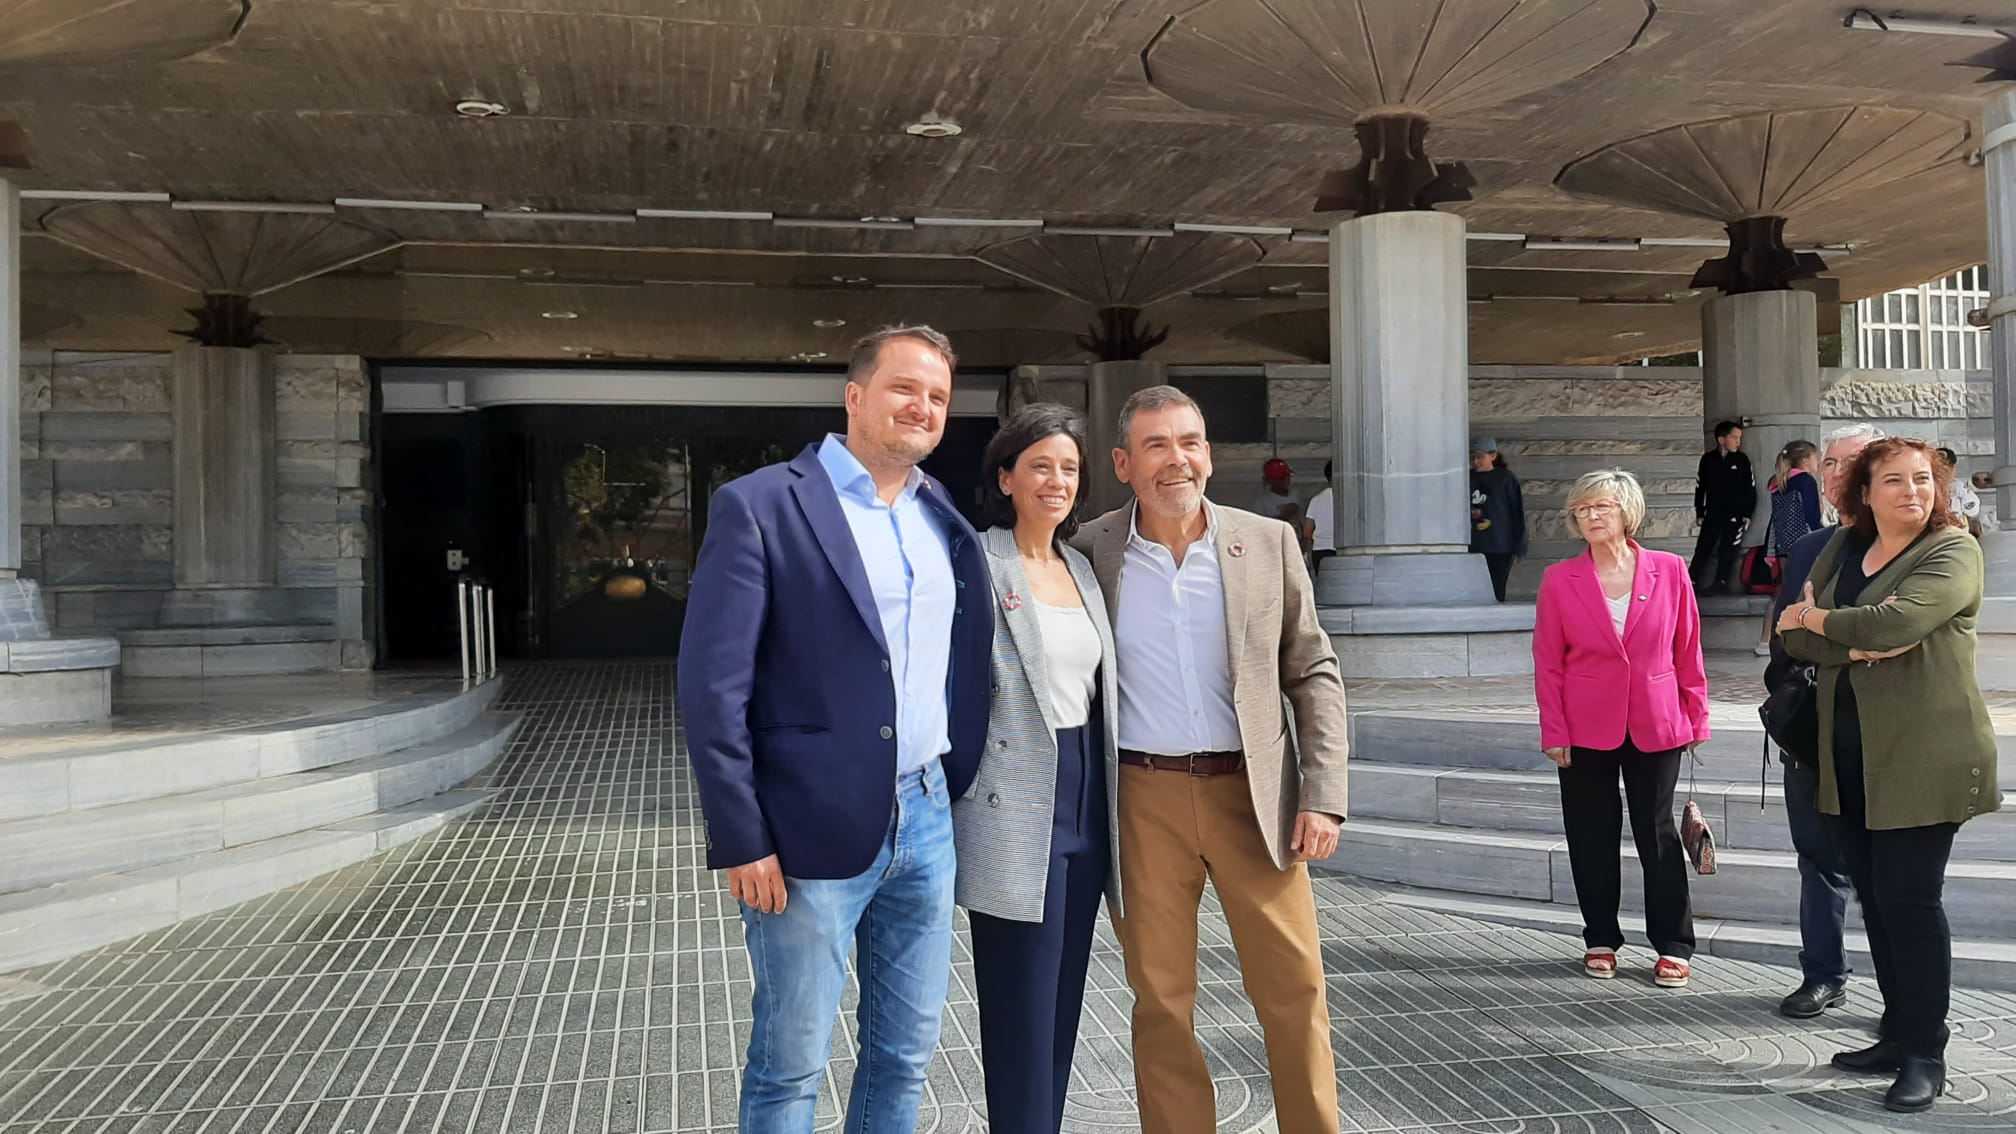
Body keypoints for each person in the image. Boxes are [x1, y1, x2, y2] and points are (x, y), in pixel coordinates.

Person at [677, 325, 994, 1134]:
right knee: (790, 1065)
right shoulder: (760, 505)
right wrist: (741, 834)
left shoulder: (938, 511)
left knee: (906, 1052)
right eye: (904, 388)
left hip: (926, 820)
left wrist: (951, 775)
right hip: (806, 830)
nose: (923, 407)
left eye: (938, 397)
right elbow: (713, 688)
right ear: (855, 396)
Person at [1071, 385, 1349, 1134]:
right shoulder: (1089, 551)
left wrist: (1322, 793)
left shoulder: (1267, 542)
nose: (1177, 460)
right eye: (1157, 446)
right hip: (1141, 799)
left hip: (1254, 797)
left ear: (1209, 454)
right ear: (1124, 463)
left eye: (1189, 442)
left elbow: (1312, 670)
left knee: (1294, 989)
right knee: (1162, 1001)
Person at [1777, 437, 1999, 1114]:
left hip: (1924, 758)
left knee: (1910, 902)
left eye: (1924, 480)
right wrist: (1847, 633)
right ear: (1863, 493)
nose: (1914, 492)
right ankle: (1897, 1032)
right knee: (1874, 898)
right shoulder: (1844, 548)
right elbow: (1793, 638)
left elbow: (1889, 624)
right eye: (1895, 481)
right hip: (1845, 755)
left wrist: (1823, 620)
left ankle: (1926, 1052)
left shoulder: (1952, 550)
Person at [952, 404, 1120, 1134]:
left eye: (1069, 468)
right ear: (1006, 477)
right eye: (1040, 466)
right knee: (1020, 1006)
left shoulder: (1080, 565)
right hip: (1013, 801)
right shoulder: (977, 559)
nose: (1056, 481)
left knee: (1062, 1001)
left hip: (1087, 800)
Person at [1533, 468, 1709, 988]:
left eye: (1600, 507)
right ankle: (1601, 938)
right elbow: (1548, 660)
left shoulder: (1669, 569)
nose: (1589, 516)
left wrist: (1696, 715)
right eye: (1582, 509)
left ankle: (1673, 944)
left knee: (1656, 834)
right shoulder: (1559, 579)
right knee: (1590, 833)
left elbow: (1687, 648)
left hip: (1656, 720)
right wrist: (1554, 729)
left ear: (1626, 511)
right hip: (1584, 725)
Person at [1766, 423, 1878, 1020]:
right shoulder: (1809, 547)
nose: (1837, 474)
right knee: (1816, 856)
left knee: (1886, 869)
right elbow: (1786, 639)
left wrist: (1822, 632)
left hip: (1885, 733)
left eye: (1850, 462)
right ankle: (1823, 973)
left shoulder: (1917, 547)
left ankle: (1903, 996)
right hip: (1814, 730)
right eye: (1829, 463)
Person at [1755, 440, 1822, 655]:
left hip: (1784, 545)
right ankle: (1801, 638)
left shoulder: (1778, 482)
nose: (1818, 463)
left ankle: (1766, 639)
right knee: (1809, 589)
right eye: (1816, 458)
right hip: (1805, 542)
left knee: (1782, 591)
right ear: (1805, 461)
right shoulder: (1805, 481)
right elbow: (1811, 515)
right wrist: (1823, 536)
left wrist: (1771, 550)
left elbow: (1775, 519)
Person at [1693, 420, 1756, 594]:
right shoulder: (1708, 460)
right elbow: (1700, 487)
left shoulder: (1741, 460)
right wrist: (1700, 510)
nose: (1738, 442)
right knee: (1704, 546)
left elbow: (1750, 488)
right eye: (1734, 437)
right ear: (1721, 439)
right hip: (1713, 512)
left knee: (1727, 549)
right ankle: (1691, 581)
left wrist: (1747, 513)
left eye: (1739, 438)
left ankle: (1720, 583)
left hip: (1735, 514)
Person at [1469, 437, 1527, 602]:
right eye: (1473, 457)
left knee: (1496, 589)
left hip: (1499, 544)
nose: (1476, 461)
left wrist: (1519, 543)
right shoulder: (1467, 478)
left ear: (1493, 456)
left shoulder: (1505, 478)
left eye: (1480, 456)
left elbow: (1516, 511)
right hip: (1472, 544)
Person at [1253, 456, 1304, 535]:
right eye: (1282, 478)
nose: (1286, 480)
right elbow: (1260, 527)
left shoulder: (1296, 495)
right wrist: (1283, 516)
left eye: (1287, 476)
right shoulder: (1262, 501)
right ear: (1271, 481)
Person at [1305, 460, 1335, 568]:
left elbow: (1307, 532)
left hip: (1320, 552)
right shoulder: (1350, 498)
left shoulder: (1316, 500)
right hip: (1344, 551)